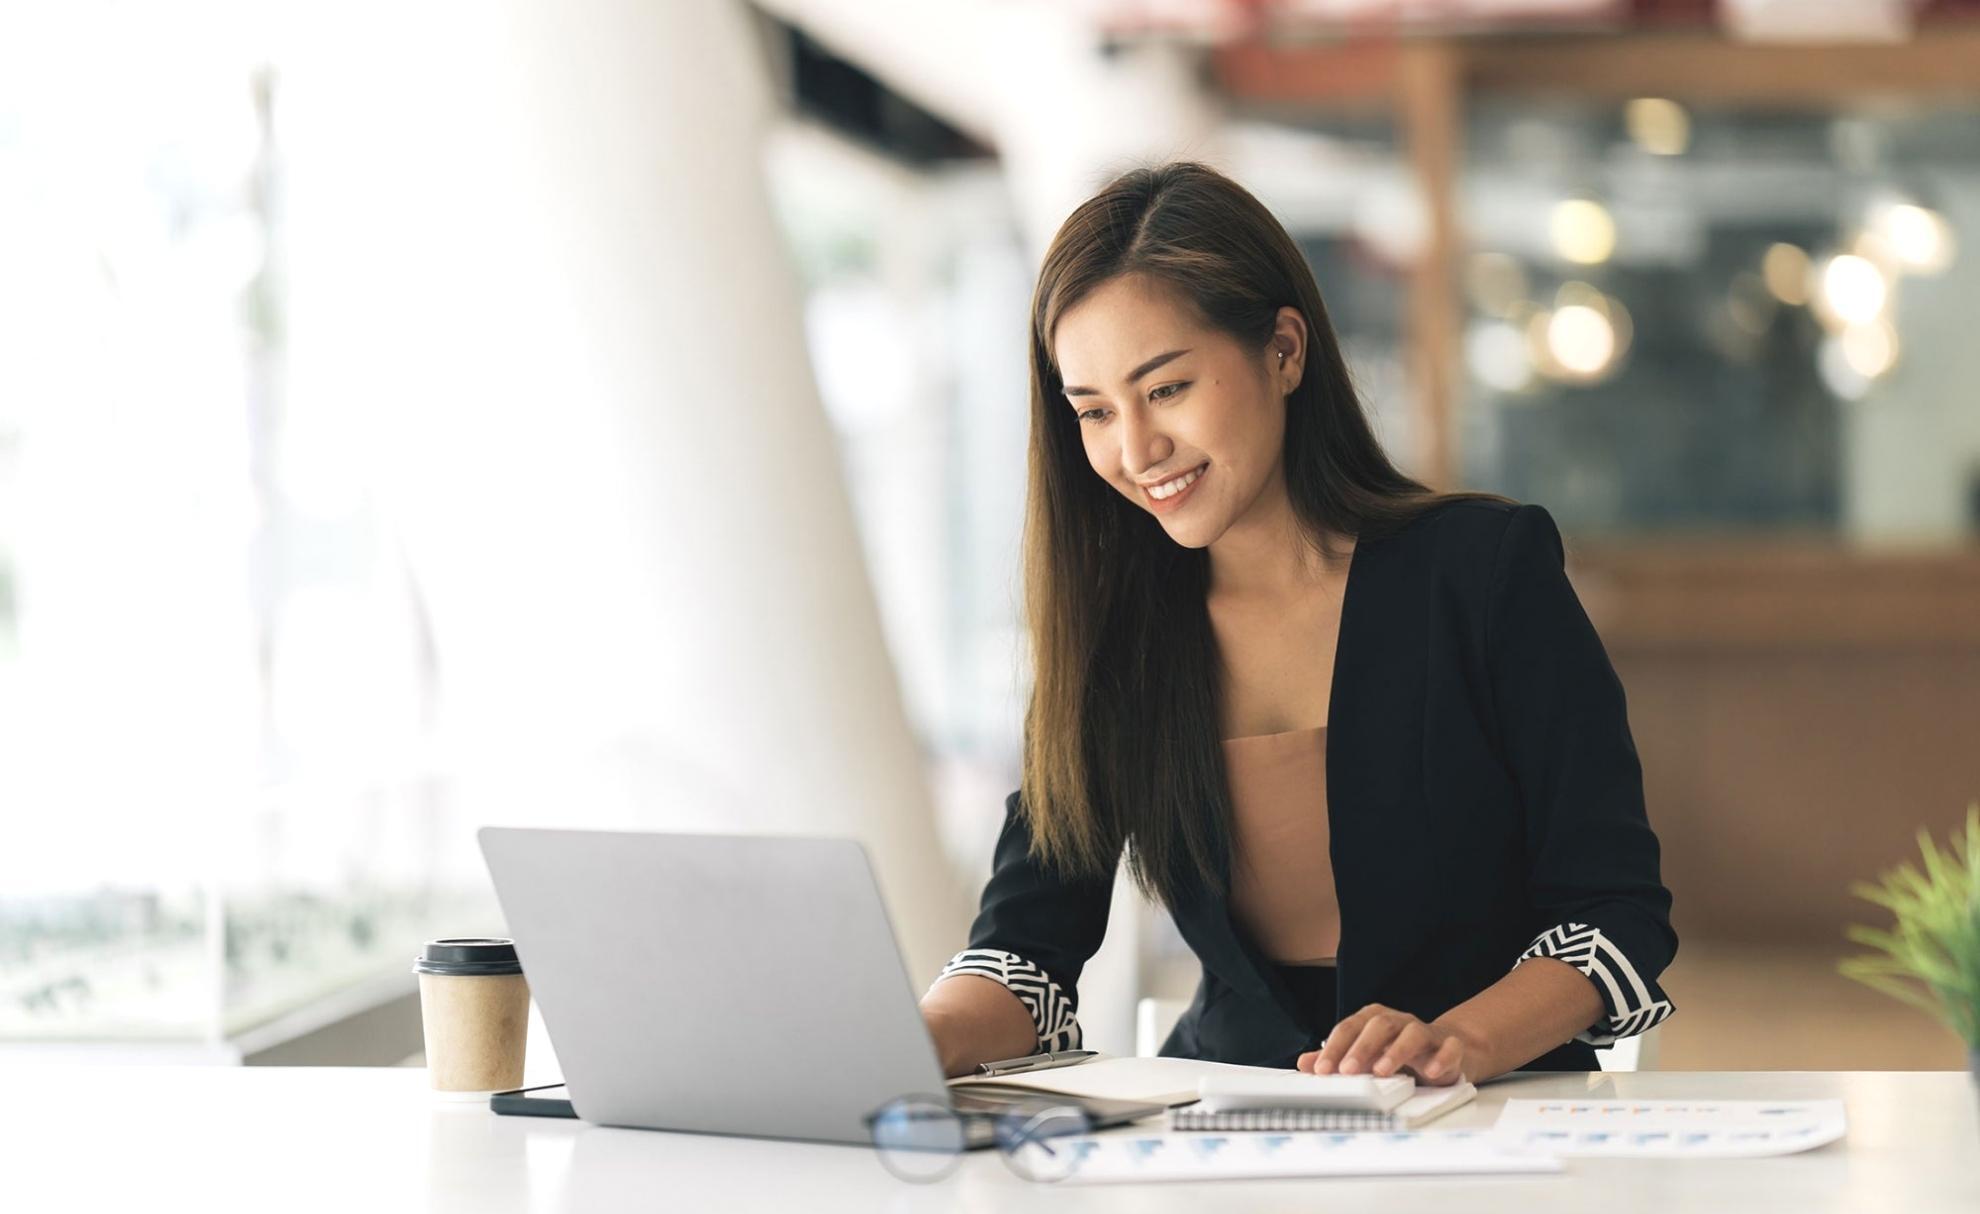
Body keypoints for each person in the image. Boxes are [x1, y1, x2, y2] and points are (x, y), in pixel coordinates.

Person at [917, 160, 1677, 1086]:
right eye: (1094, 411)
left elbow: (1615, 911)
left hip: (1488, 1118)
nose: (1134, 450)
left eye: (1165, 390)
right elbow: (1024, 954)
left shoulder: (1483, 572)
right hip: (1225, 1124)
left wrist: (1460, 1042)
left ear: (1283, 350)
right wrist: (907, 1039)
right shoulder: (1116, 637)